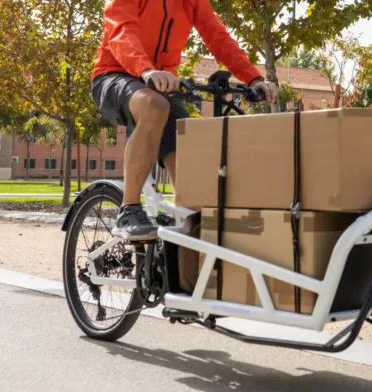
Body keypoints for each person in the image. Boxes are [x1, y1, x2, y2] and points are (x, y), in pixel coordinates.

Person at [90, 0, 278, 241]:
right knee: (154, 105)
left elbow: (217, 36)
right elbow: (120, 30)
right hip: (114, 73)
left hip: (162, 81)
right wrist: (145, 69)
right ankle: (129, 209)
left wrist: (253, 79)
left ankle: (185, 257)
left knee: (189, 161)